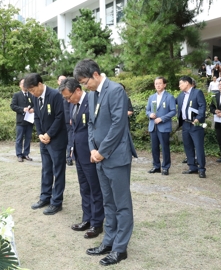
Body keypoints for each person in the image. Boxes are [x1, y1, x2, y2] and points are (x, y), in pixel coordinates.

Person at [74, 59, 137, 266]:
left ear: (95, 75)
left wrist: (102, 151)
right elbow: (90, 123)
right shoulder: (92, 95)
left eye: (85, 82)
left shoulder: (116, 90)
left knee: (122, 204)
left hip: (116, 157)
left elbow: (119, 124)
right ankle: (108, 241)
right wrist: (93, 148)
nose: (84, 87)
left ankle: (120, 249)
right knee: (108, 202)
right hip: (99, 157)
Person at [59, 78, 104, 239]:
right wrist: (71, 147)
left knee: (94, 188)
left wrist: (95, 150)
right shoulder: (73, 105)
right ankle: (87, 218)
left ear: (78, 90)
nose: (68, 100)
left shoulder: (91, 101)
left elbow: (95, 128)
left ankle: (97, 222)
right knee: (84, 187)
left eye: (68, 96)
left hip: (90, 153)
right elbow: (72, 128)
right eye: (65, 98)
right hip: (78, 152)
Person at [24, 73, 68, 215]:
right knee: (46, 169)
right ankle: (45, 197)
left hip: (57, 139)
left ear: (40, 84)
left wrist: (49, 134)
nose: (32, 93)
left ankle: (56, 202)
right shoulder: (35, 98)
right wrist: (41, 134)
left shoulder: (55, 95)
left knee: (58, 170)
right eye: (29, 91)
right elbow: (36, 116)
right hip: (44, 140)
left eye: (32, 90)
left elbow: (60, 117)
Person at [176, 76, 207, 178]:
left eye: (181, 83)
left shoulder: (197, 92)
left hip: (195, 124)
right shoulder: (181, 95)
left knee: (198, 146)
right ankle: (192, 166)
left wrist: (199, 118)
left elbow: (202, 106)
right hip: (185, 124)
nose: (179, 85)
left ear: (187, 83)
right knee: (188, 146)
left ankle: (201, 169)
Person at [146, 77, 176, 175]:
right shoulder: (151, 97)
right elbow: (147, 110)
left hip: (164, 126)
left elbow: (173, 111)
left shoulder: (169, 97)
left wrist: (162, 118)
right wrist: (150, 114)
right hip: (153, 126)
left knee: (164, 147)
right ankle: (156, 166)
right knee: (154, 147)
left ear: (164, 85)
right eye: (156, 84)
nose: (158, 85)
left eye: (160, 83)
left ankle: (165, 167)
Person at [10, 78, 34, 162]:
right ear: (20, 85)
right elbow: (12, 106)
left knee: (28, 138)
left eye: (26, 83)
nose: (24, 85)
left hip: (29, 120)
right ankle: (19, 154)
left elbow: (35, 105)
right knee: (19, 138)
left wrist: (33, 109)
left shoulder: (31, 95)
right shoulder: (17, 95)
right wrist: (22, 109)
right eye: (23, 83)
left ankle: (26, 154)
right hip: (20, 120)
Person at [58, 75, 73, 166]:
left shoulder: (69, 91)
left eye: (64, 80)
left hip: (68, 119)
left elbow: (72, 105)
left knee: (70, 139)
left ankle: (69, 158)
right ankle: (62, 157)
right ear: (58, 82)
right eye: (61, 80)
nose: (62, 81)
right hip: (59, 120)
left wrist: (72, 116)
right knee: (61, 140)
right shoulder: (55, 93)